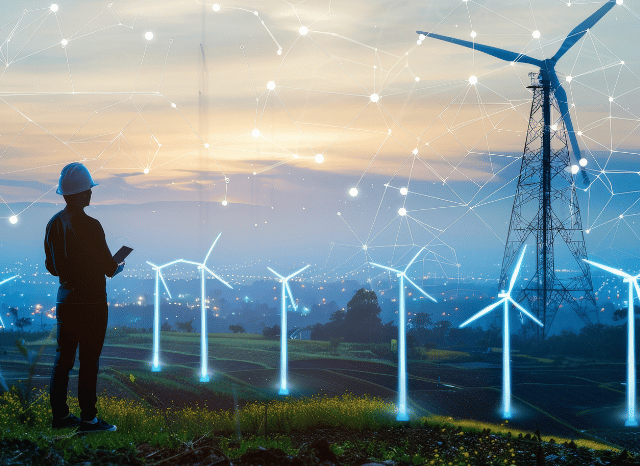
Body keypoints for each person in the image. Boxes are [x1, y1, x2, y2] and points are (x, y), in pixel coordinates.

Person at [45, 162, 125, 433]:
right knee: (89, 362)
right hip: (91, 303)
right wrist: (117, 266)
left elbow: (52, 266)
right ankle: (89, 420)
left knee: (62, 360)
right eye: (88, 190)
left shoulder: (53, 224)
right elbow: (107, 267)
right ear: (79, 194)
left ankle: (60, 417)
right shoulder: (92, 225)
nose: (91, 194)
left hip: (65, 300)